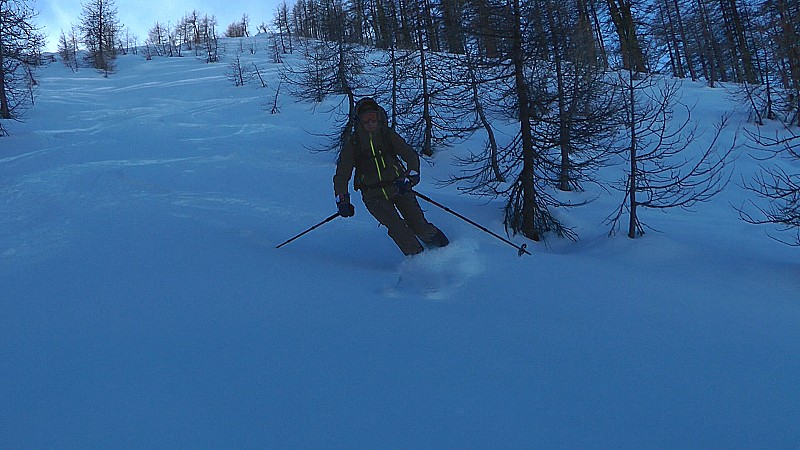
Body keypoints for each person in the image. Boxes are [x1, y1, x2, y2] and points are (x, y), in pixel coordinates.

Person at [333, 97, 449, 256]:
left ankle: (447, 251)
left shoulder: (387, 135)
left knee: (419, 226)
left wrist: (410, 178)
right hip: (373, 196)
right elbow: (342, 175)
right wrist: (342, 200)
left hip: (399, 188)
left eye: (373, 117)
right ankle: (420, 261)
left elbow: (410, 156)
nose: (370, 122)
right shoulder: (353, 144)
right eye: (366, 119)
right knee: (398, 228)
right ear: (359, 121)